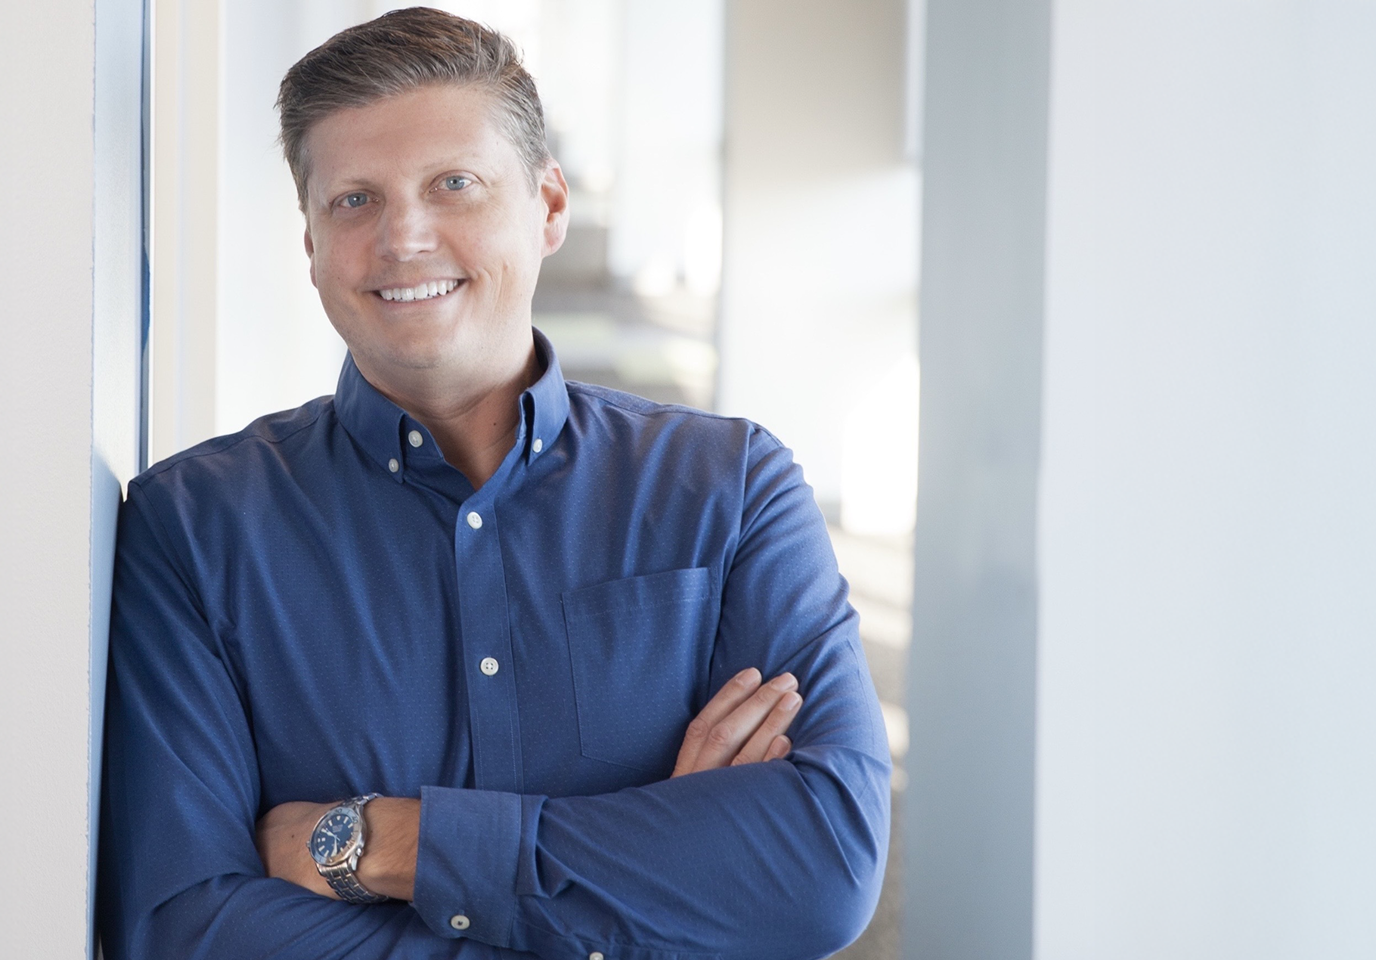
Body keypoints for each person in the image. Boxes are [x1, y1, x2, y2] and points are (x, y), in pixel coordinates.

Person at [97, 8, 890, 960]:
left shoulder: (731, 490)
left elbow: (822, 868)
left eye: (454, 184)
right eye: (354, 200)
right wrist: (661, 879)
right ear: (310, 243)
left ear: (549, 206)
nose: (403, 238)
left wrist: (382, 843)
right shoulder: (191, 528)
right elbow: (184, 928)